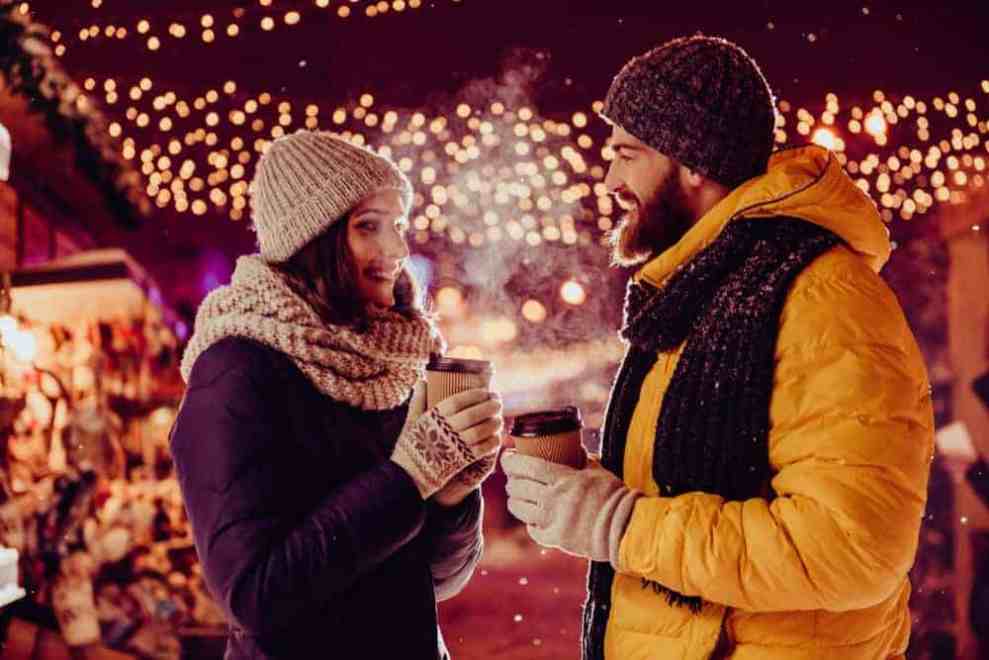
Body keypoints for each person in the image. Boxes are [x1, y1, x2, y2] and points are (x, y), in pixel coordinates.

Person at [502, 35, 934, 659]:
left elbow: (850, 550)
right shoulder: (694, 294)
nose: (612, 179)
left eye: (628, 154)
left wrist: (620, 524)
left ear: (692, 161)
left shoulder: (824, 299)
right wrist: (582, 495)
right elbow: (682, 496)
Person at [170, 130, 503, 659]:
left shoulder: (386, 362)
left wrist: (450, 497)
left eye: (396, 226)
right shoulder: (235, 370)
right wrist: (409, 477)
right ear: (312, 239)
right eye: (367, 226)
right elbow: (255, 596)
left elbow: (432, 581)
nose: (396, 250)